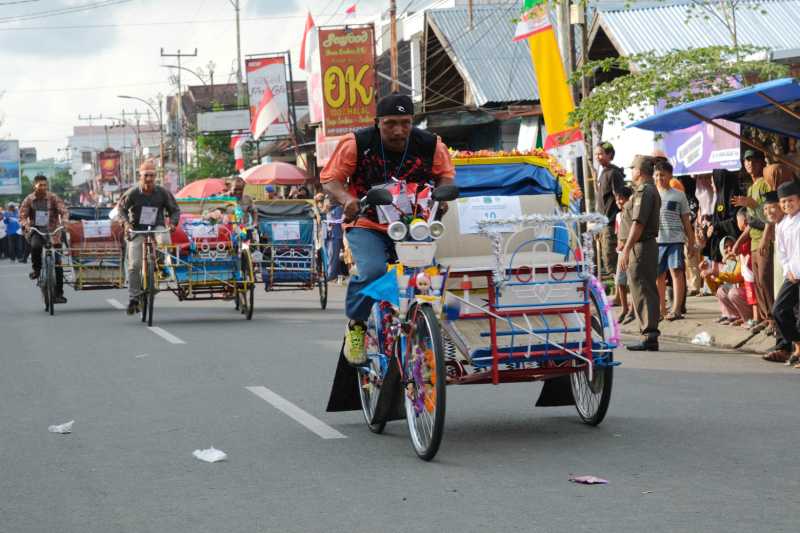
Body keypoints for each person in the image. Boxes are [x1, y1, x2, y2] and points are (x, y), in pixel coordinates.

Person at [321, 93, 456, 364]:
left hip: (414, 224)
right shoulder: (356, 143)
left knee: (437, 274)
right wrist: (347, 199)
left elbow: (446, 176)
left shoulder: (430, 144)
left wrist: (442, 198)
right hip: (368, 223)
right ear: (377, 122)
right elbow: (330, 179)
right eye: (390, 123)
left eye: (405, 123)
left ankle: (437, 328)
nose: (399, 130)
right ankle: (357, 326)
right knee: (373, 272)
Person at [117, 160, 181, 315]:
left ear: (155, 177)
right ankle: (133, 298)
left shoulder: (162, 192)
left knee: (165, 240)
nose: (149, 179)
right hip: (137, 230)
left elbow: (175, 210)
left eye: (152, 175)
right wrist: (126, 224)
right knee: (134, 265)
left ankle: (158, 265)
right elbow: (121, 210)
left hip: (157, 227)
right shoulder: (132, 193)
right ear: (141, 176)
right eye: (146, 175)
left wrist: (172, 223)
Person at [619, 155, 661, 351]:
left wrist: (627, 248)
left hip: (641, 246)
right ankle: (648, 333)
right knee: (641, 289)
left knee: (643, 289)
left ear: (640, 171)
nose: (631, 172)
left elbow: (639, 223)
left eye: (633, 168)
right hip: (641, 246)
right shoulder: (644, 190)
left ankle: (649, 334)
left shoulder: (645, 191)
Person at [732, 149, 772, 333]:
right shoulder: (751, 188)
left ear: (761, 162)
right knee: (757, 282)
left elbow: (769, 216)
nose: (749, 163)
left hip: (765, 240)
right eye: (746, 160)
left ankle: (773, 319)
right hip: (753, 241)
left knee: (765, 279)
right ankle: (765, 317)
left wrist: (765, 239)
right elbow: (751, 222)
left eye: (753, 160)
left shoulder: (765, 184)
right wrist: (739, 241)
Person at [18, 175, 70, 303]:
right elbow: (22, 215)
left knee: (58, 263)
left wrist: (64, 221)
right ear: (34, 185)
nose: (43, 187)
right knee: (35, 246)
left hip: (54, 231)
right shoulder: (29, 199)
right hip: (37, 230)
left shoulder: (53, 197)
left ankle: (58, 293)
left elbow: (64, 211)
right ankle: (36, 270)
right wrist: (26, 224)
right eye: (40, 185)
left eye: (45, 185)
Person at [654, 160, 694, 321]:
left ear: (670, 175)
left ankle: (677, 309)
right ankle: (661, 309)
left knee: (677, 273)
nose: (659, 178)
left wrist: (691, 242)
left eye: (662, 175)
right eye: (656, 175)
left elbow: (686, 221)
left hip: (675, 240)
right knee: (658, 276)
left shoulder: (679, 195)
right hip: (656, 241)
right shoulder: (651, 194)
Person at [766, 181, 800, 365]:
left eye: (791, 200)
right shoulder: (782, 225)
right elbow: (782, 252)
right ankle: (797, 344)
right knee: (779, 310)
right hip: (793, 275)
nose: (787, 205)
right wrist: (788, 270)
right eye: (784, 202)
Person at [594, 142, 625, 276]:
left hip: (612, 224)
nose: (597, 157)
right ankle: (619, 294)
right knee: (608, 261)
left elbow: (620, 198)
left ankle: (622, 294)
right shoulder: (603, 173)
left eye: (600, 154)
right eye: (596, 154)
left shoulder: (614, 173)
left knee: (612, 260)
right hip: (602, 223)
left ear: (610, 155)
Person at [614, 187, 635, 324]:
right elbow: (618, 234)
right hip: (621, 253)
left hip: (631, 251)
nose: (620, 202)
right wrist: (619, 246)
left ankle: (633, 309)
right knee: (620, 282)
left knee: (631, 282)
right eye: (617, 199)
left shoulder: (632, 214)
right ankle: (624, 308)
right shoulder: (618, 216)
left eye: (622, 198)